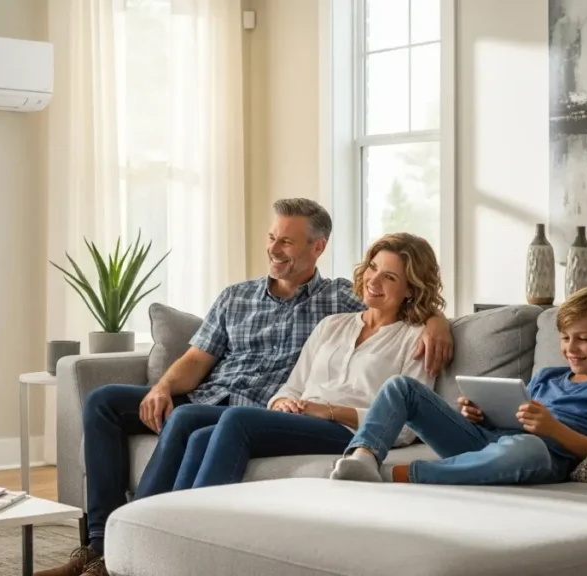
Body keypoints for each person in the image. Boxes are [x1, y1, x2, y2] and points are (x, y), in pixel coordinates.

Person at [37, 199, 455, 576]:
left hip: (324, 424)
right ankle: (112, 545)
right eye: (272, 238)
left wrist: (435, 319)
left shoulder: (363, 312)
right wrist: (166, 386)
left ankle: (149, 540)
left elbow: (404, 417)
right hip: (250, 406)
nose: (275, 249)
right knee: (116, 404)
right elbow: (226, 367)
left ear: (318, 247)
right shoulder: (331, 321)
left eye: (287, 242)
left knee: (212, 420)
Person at [167, 233, 444, 491]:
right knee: (198, 433)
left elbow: (407, 428)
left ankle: (198, 522)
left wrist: (328, 411)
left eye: (390, 277)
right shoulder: (332, 325)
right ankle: (155, 520)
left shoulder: (418, 339)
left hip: (349, 431)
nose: (373, 280)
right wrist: (282, 403)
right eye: (372, 267)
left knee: (237, 419)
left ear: (411, 289)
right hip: (300, 418)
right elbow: (291, 387)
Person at [330, 285, 587, 486]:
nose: (571, 348)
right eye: (566, 338)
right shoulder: (548, 377)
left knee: (525, 445)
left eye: (583, 340)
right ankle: (364, 458)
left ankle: (397, 474)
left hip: (541, 455)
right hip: (490, 440)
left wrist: (552, 429)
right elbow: (515, 417)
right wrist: (481, 414)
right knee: (402, 387)